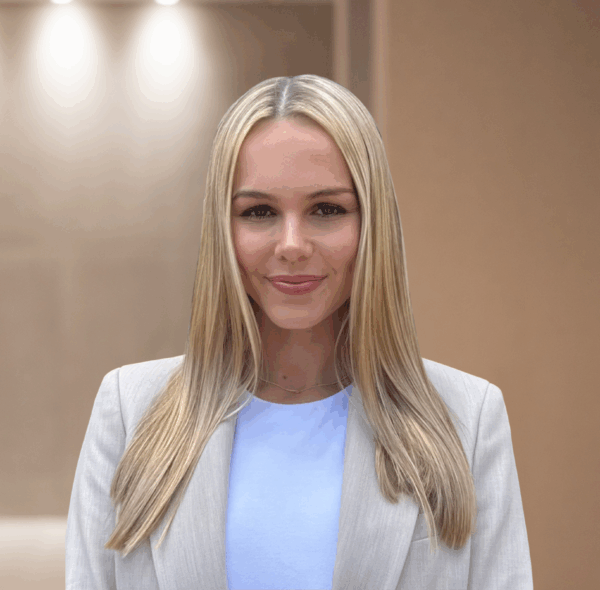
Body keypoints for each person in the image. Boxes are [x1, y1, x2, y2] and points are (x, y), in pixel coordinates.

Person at [65, 74, 533, 590]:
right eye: (259, 211)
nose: (291, 244)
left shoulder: (470, 418)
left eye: (326, 209)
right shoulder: (129, 410)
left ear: (372, 224)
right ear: (223, 229)